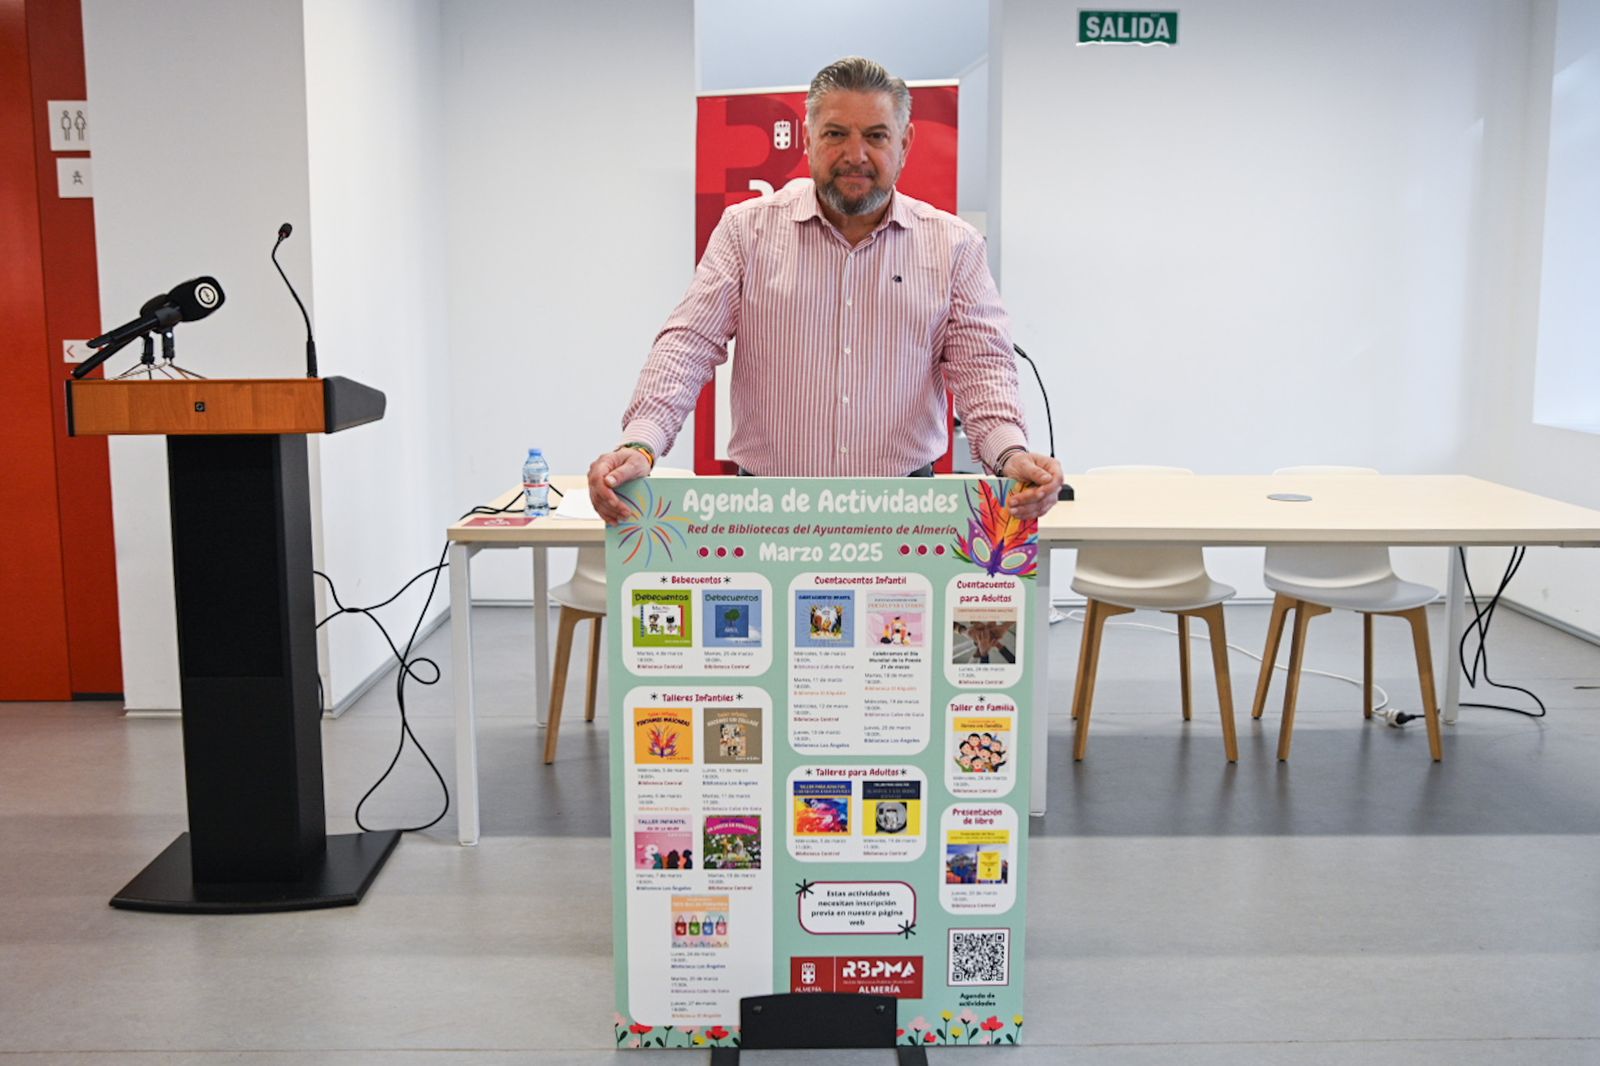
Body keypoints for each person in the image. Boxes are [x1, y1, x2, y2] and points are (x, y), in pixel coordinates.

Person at [589, 56, 1064, 524]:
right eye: (836, 134)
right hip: (768, 510)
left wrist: (1009, 453)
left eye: (876, 136)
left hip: (902, 511)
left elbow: (981, 366)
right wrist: (641, 441)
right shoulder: (746, 230)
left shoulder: (953, 245)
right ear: (808, 137)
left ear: (905, 142)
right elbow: (688, 344)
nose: (855, 155)